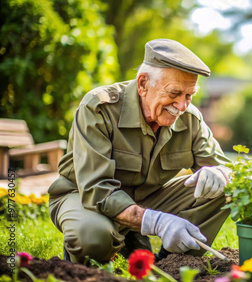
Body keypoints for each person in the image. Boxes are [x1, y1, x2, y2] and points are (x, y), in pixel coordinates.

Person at [48, 39, 232, 264]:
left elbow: (224, 169)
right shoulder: (99, 108)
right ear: (143, 84)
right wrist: (156, 222)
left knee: (221, 189)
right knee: (93, 238)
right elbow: (96, 189)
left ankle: (172, 265)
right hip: (85, 196)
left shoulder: (190, 118)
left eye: (189, 95)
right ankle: (93, 254)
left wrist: (220, 173)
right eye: (174, 92)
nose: (182, 106)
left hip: (146, 200)